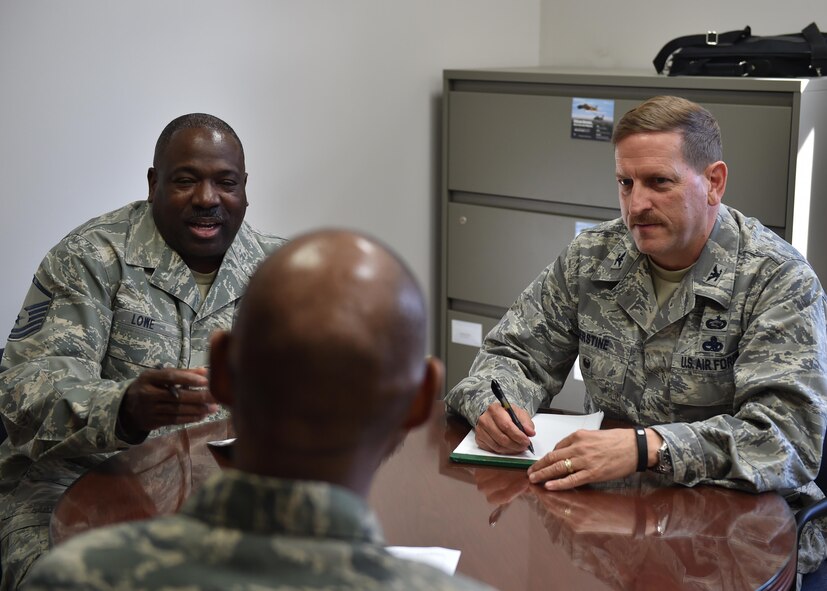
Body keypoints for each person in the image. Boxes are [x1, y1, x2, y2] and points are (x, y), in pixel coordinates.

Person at [444, 95, 827, 573]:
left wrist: (649, 447)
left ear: (714, 182)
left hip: (733, 538)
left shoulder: (777, 280)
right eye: (625, 183)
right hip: (610, 526)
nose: (637, 204)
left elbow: (784, 440)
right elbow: (511, 354)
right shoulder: (593, 257)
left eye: (658, 182)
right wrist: (496, 406)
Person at [24, 229, 493, 591]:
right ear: (418, 401)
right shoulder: (92, 256)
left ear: (222, 372)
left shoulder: (77, 577)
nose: (207, 198)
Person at [0, 113, 286, 589]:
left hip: (227, 496)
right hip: (74, 486)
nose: (207, 198)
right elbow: (23, 396)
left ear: (244, 188)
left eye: (225, 182)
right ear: (154, 184)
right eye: (186, 180)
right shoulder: (90, 259)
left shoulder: (282, 273)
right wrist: (125, 409)